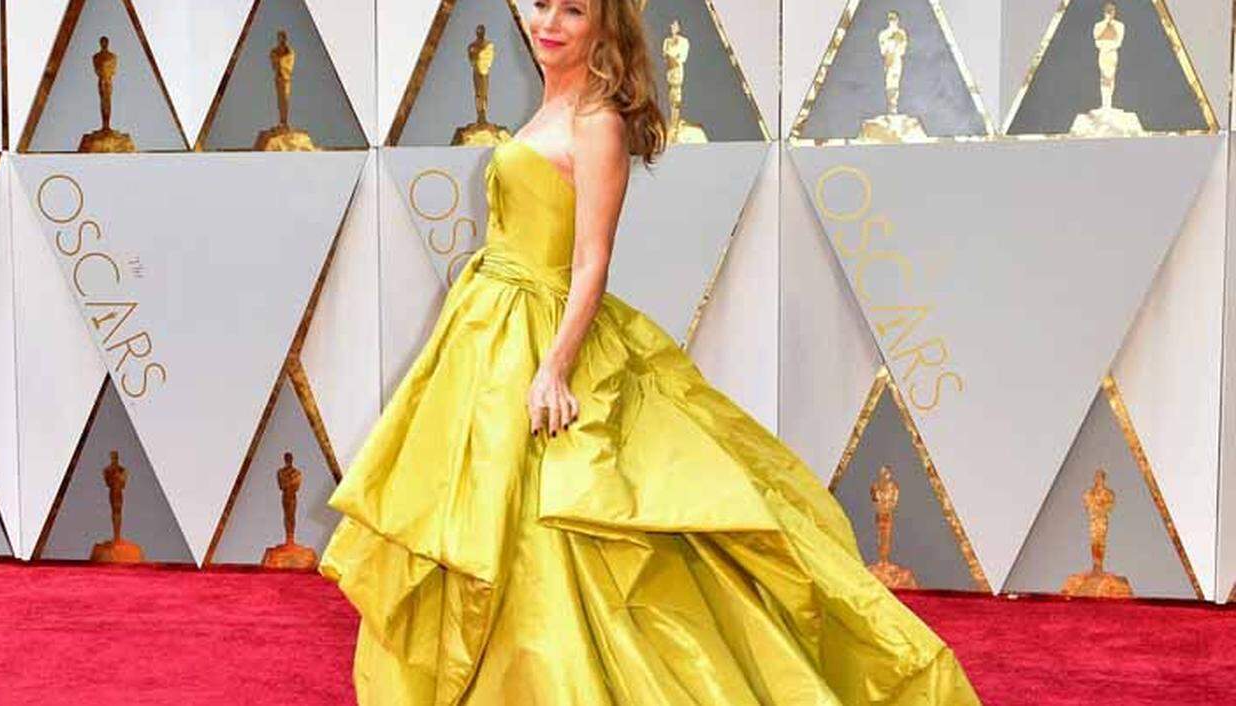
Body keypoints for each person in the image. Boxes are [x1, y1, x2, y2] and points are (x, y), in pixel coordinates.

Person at [316, 1, 980, 703]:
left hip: (542, 337)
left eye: (572, 10)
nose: (548, 22)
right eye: (543, 5)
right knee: (484, 521)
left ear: (604, 25)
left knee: (561, 529)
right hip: (488, 331)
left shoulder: (597, 122)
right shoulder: (552, 106)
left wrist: (555, 367)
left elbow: (592, 263)